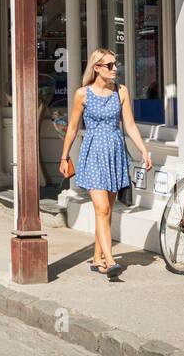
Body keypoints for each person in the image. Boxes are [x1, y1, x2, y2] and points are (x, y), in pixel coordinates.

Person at [59, 48, 153, 278]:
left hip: (114, 153)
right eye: (109, 65)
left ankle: (97, 257)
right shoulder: (83, 94)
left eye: (115, 64)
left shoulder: (121, 91)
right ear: (96, 68)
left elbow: (129, 125)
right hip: (92, 154)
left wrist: (143, 150)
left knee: (108, 210)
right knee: (101, 208)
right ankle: (110, 261)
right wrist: (64, 156)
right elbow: (72, 127)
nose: (115, 69)